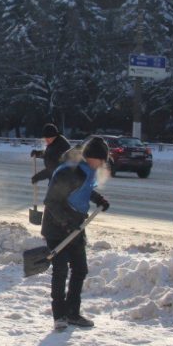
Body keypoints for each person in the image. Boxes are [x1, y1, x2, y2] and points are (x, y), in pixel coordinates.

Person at [41, 136, 110, 331]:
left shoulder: (87, 170)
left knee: (80, 269)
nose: (103, 164)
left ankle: (73, 312)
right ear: (91, 157)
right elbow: (51, 201)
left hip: (75, 226)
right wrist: (65, 223)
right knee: (60, 270)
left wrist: (99, 199)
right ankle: (59, 315)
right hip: (57, 227)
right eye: (101, 159)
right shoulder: (69, 172)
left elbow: (84, 189)